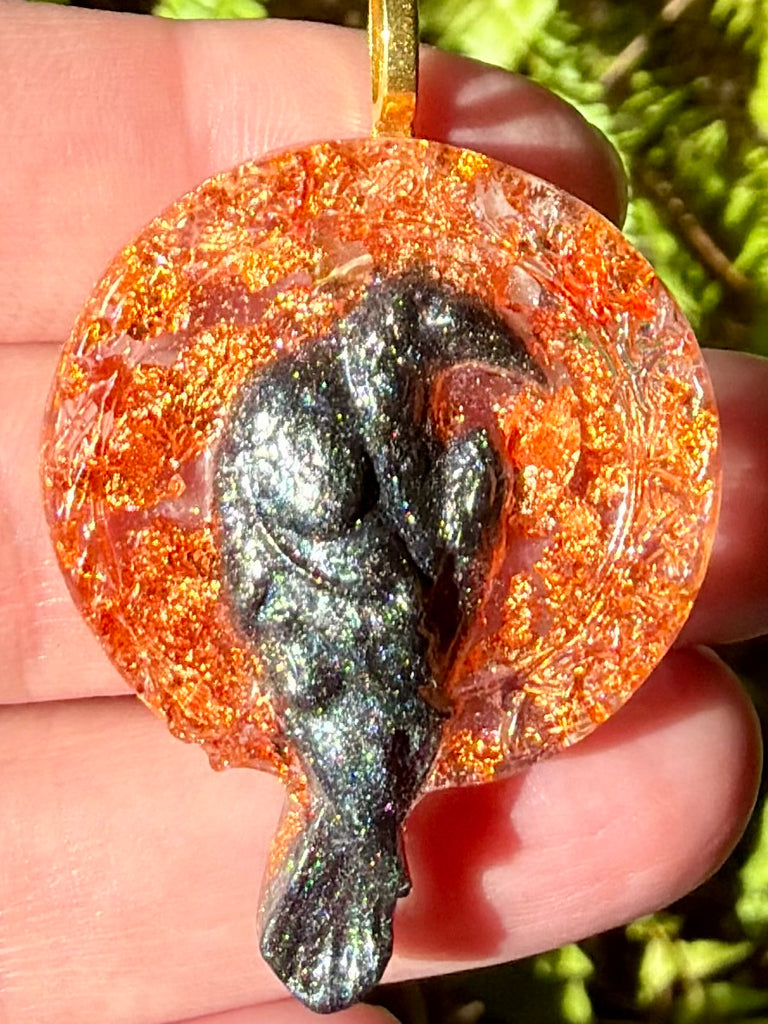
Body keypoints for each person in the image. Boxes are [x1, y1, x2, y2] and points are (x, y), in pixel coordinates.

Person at [0, 2, 765, 1022]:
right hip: (339, 660)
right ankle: (356, 831)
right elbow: (343, 551)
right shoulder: (295, 410)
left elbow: (412, 560)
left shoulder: (422, 446)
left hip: (385, 670)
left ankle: (359, 825)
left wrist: (446, 539)